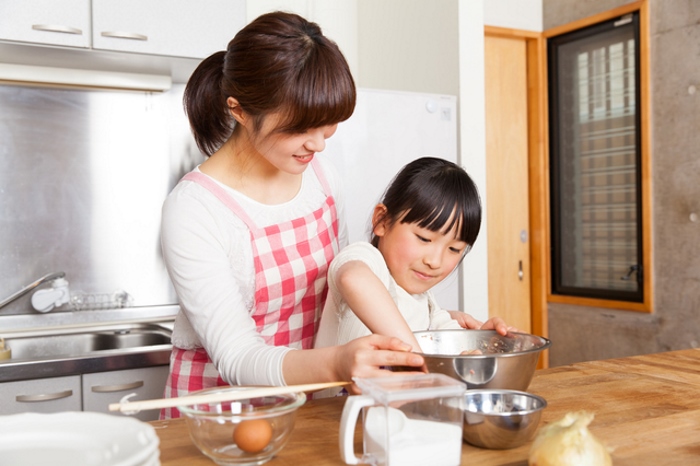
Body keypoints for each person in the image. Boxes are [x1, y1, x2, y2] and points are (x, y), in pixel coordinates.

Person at [159, 11, 423, 419]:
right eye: (301, 127)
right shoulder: (195, 209)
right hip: (219, 414)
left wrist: (434, 320)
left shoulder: (320, 177)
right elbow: (238, 356)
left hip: (308, 400)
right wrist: (335, 364)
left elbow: (344, 286)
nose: (318, 144)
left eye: (328, 124)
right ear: (239, 110)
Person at [315, 157, 514, 396]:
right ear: (382, 221)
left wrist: (482, 341)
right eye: (424, 239)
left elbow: (454, 346)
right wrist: (421, 362)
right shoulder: (368, 259)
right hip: (335, 422)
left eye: (454, 249)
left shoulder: (426, 301)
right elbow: (353, 279)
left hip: (392, 422)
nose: (434, 261)